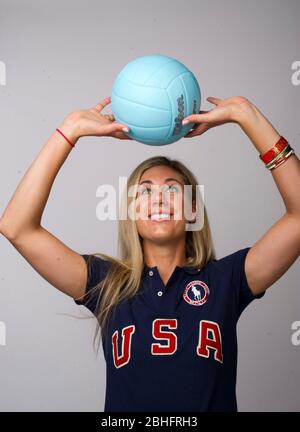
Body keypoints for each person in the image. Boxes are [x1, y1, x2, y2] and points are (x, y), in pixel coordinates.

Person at [0, 96, 299, 412]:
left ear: (192, 209)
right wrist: (70, 130)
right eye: (144, 192)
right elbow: (16, 226)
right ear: (131, 210)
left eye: (172, 190)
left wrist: (248, 116)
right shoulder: (107, 285)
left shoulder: (227, 280)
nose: (158, 200)